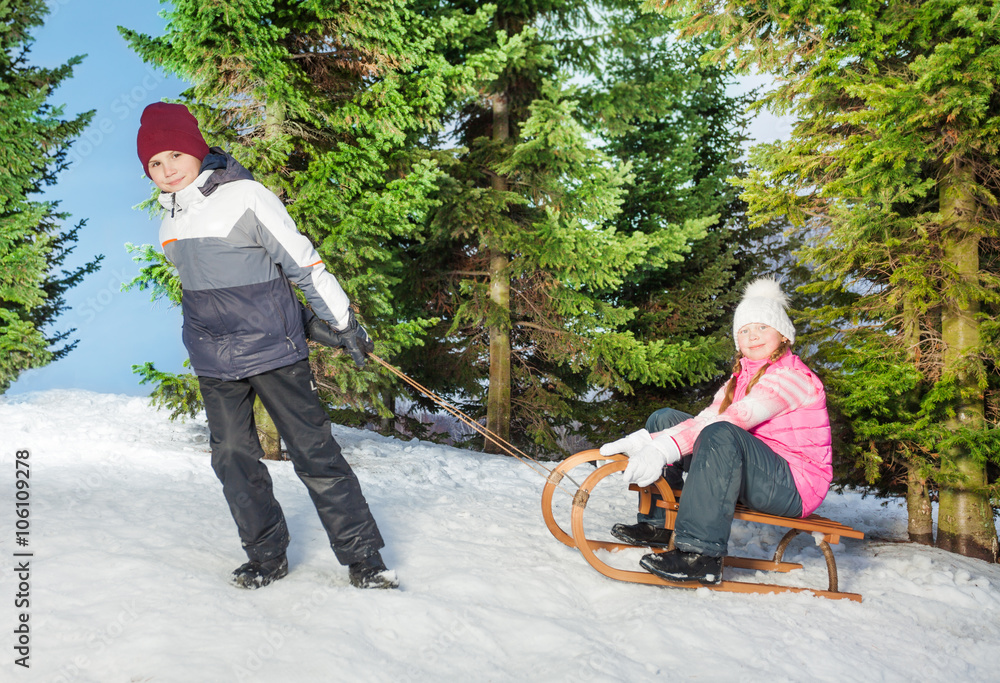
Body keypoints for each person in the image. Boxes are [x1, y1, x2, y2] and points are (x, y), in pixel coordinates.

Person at [136, 101, 397, 590]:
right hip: (213, 357)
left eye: (174, 154)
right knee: (232, 457)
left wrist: (339, 323)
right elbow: (227, 288)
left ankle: (365, 559)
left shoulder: (246, 196)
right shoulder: (168, 224)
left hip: (273, 353)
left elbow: (301, 263)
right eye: (154, 162)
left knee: (313, 454)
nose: (167, 168)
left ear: (196, 150)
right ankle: (266, 556)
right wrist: (296, 317)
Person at [599, 278, 832, 585]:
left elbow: (736, 419)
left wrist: (661, 449)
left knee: (721, 431)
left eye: (762, 327)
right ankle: (660, 524)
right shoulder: (740, 377)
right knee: (665, 419)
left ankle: (701, 556)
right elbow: (705, 418)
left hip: (793, 484)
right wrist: (648, 440)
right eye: (744, 330)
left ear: (783, 335)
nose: (753, 336)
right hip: (755, 469)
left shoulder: (793, 377)